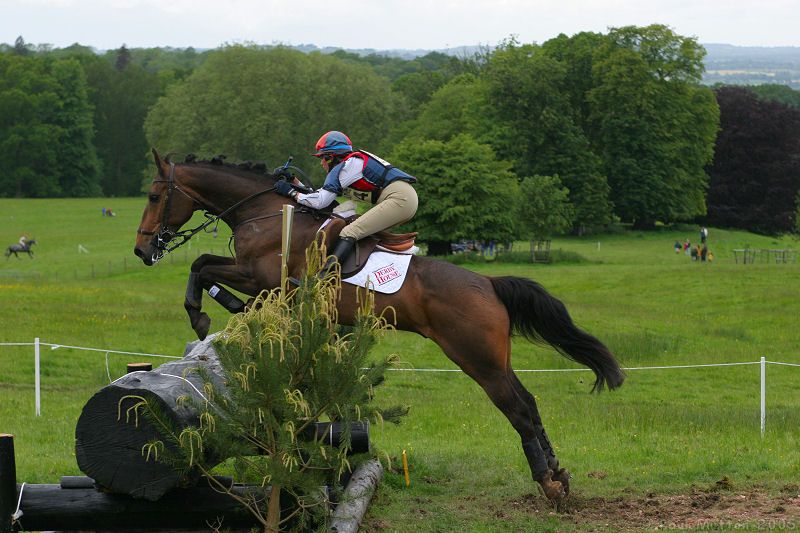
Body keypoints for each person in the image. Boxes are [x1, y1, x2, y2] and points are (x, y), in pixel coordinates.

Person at [274, 130, 418, 278]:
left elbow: (320, 202)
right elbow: (318, 196)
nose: (321, 163)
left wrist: (291, 193)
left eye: (322, 158)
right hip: (402, 198)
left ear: (330, 157)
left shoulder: (347, 166)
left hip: (400, 199)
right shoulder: (349, 166)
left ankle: (324, 278)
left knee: (349, 232)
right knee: (357, 228)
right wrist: (294, 181)